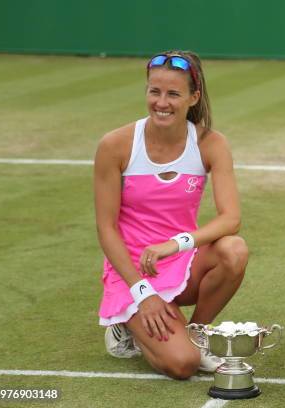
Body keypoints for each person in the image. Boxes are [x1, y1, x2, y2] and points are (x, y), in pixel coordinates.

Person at [94, 50, 248, 380]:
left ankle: (198, 332)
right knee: (182, 364)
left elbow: (230, 218)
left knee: (234, 250)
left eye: (173, 94)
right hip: (132, 270)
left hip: (180, 262)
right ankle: (128, 323)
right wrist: (142, 292)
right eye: (155, 91)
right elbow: (106, 229)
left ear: (194, 97)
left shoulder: (211, 144)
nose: (162, 102)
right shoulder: (115, 145)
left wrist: (176, 244)